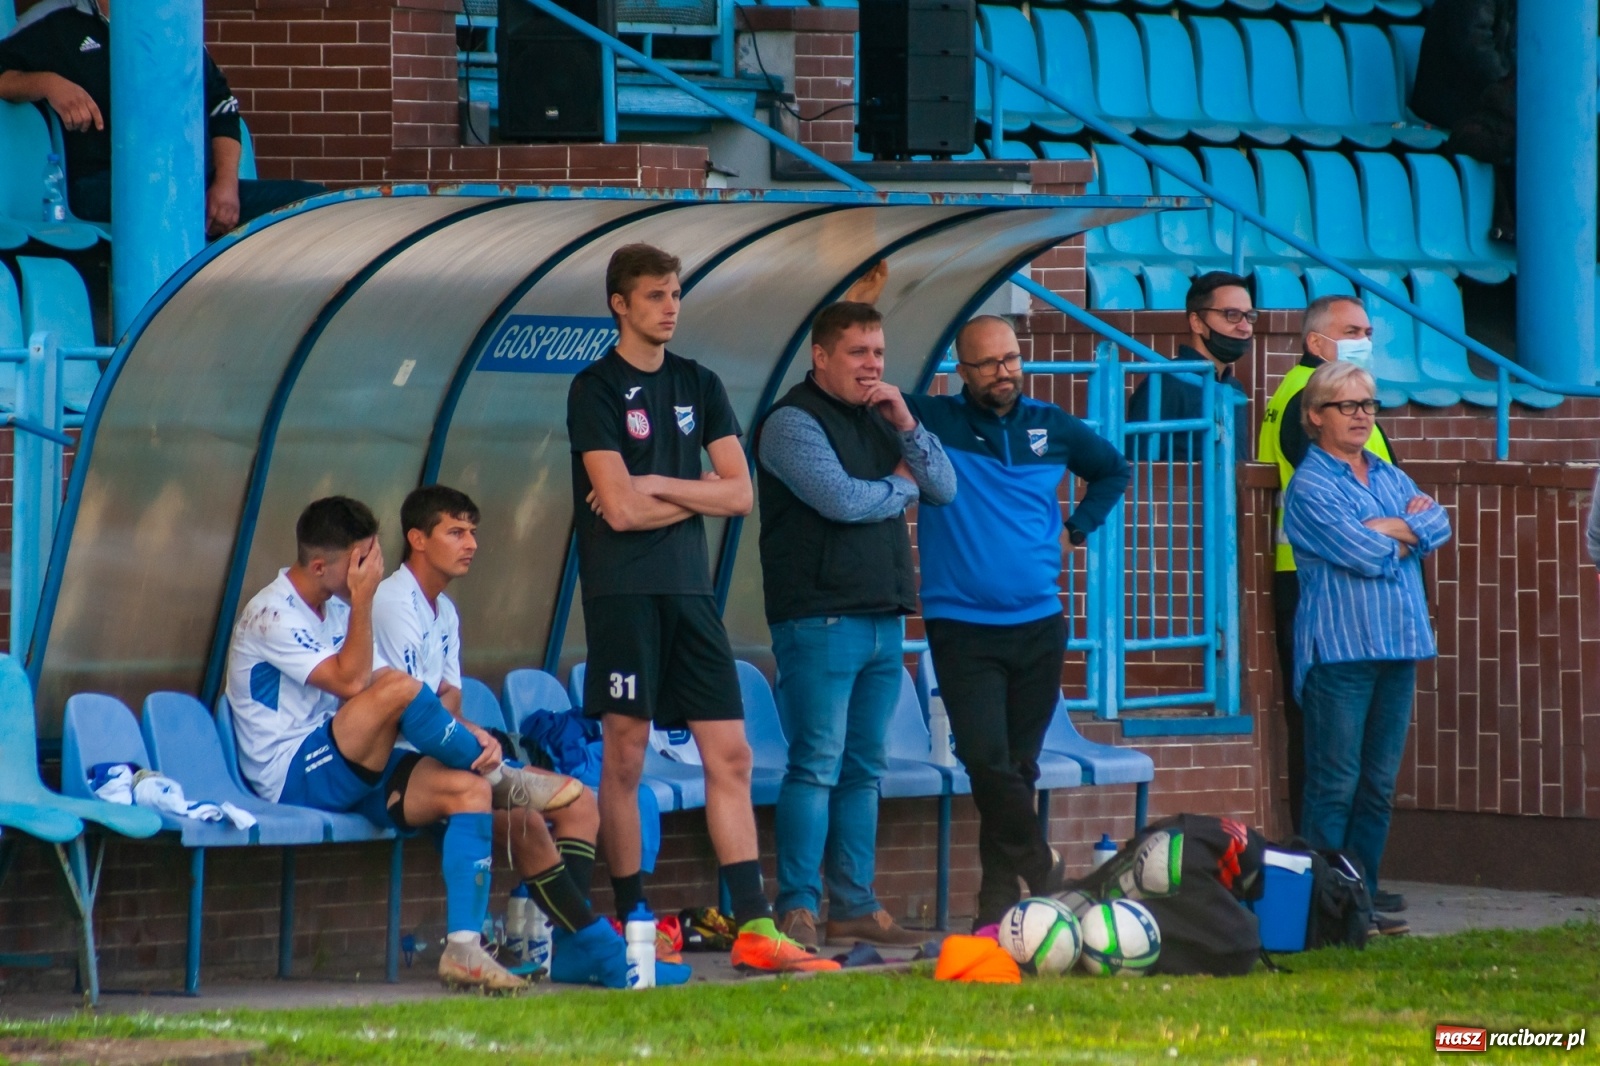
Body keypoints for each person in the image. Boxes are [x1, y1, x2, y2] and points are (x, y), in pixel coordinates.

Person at [567, 242, 838, 974]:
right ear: (620, 304)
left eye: (675, 293)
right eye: (654, 295)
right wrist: (680, 495)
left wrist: (654, 483)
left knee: (733, 754)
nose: (670, 306)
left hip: (691, 594)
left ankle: (755, 928)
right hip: (624, 594)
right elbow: (617, 515)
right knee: (624, 757)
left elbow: (741, 493)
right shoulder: (593, 388)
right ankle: (631, 922)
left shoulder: (700, 382)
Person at [226, 497, 559, 991]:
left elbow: (387, 682)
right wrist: (363, 600)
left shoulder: (336, 609)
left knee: (467, 793)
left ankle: (464, 950)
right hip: (292, 774)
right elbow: (353, 680)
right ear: (320, 566)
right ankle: (499, 775)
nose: (373, 572)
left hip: (349, 760)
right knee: (402, 689)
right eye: (361, 562)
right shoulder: (272, 614)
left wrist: (471, 733)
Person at [370, 484, 671, 987]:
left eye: (473, 533)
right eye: (456, 532)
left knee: (576, 802)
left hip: (449, 750)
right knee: (523, 805)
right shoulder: (392, 599)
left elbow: (447, 703)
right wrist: (463, 737)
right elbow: (413, 715)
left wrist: (457, 729)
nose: (471, 543)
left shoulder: (444, 611)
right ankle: (596, 945)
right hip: (399, 762)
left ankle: (573, 945)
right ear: (417, 539)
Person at [905, 315, 1130, 931]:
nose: (1003, 373)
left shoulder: (1051, 425)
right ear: (961, 371)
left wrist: (1076, 528)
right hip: (961, 625)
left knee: (1017, 771)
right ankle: (1043, 863)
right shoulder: (934, 420)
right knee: (986, 761)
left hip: (1039, 624)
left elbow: (1113, 469)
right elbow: (872, 390)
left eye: (1010, 359)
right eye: (987, 364)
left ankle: (996, 913)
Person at [755, 301, 957, 950]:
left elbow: (945, 486)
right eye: (857, 353)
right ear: (821, 356)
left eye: (878, 353)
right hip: (819, 617)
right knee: (815, 763)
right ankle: (798, 907)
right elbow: (842, 501)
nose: (872, 366)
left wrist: (906, 423)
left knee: (864, 767)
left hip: (882, 617)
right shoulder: (790, 422)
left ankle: (856, 904)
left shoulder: (883, 416)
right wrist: (901, 487)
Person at [1282, 361, 1452, 938]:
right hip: (1340, 653)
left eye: (1369, 405)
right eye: (1348, 406)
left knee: (1378, 788)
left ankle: (1362, 902)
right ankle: (1322, 910)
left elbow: (1441, 524)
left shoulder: (1386, 473)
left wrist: (1390, 526)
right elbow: (1364, 554)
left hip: (1399, 645)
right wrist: (1403, 531)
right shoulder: (1309, 485)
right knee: (1335, 784)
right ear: (1315, 416)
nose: (1361, 416)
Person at [1257, 297, 1400, 876]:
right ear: (1317, 342)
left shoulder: (1324, 390)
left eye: (1368, 330)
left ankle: (1349, 884)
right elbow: (1342, 498)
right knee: (1332, 757)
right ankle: (1323, 883)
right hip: (1322, 587)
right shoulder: (1306, 397)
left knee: (1357, 763)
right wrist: (1395, 529)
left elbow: (1422, 511)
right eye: (1352, 330)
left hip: (1354, 592)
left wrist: (1401, 523)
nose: (1365, 337)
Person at [0, 0, 323, 235]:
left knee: (314, 202)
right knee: (163, 203)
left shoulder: (173, 22)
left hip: (190, 184)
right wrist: (48, 84)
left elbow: (222, 107)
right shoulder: (55, 19)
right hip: (99, 185)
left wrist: (225, 188)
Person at [1125, 272, 1253, 462]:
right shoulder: (1166, 385)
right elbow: (1139, 468)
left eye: (1250, 316)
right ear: (1197, 323)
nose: (1245, 327)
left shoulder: (1234, 388)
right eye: (1231, 315)